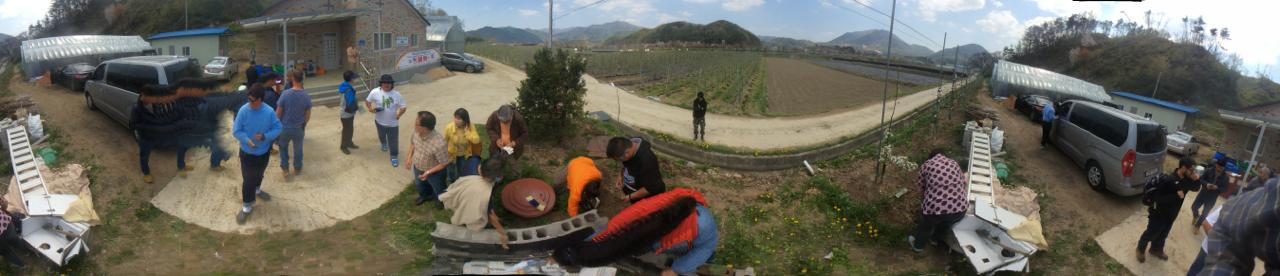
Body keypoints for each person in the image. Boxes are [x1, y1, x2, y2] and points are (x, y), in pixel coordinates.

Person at [552, 188, 717, 276]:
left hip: (689, 242)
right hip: (654, 239)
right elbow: (614, 228)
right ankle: (648, 248)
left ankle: (674, 260)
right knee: (641, 247)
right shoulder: (646, 210)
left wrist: (677, 269)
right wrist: (592, 240)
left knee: (690, 259)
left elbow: (705, 248)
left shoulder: (702, 225)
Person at [1199, 170, 1280, 275]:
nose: (1260, 175)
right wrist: (1215, 246)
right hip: (1208, 251)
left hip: (1212, 199)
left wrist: (1217, 189)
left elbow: (1223, 189)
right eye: (1260, 173)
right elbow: (1208, 223)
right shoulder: (1237, 206)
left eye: (1263, 173)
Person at [233, 87, 283, 225]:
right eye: (248, 99)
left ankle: (257, 189)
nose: (249, 102)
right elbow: (236, 130)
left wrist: (265, 137)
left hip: (263, 152)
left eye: (252, 100)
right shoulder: (244, 111)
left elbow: (278, 128)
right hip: (247, 153)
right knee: (248, 180)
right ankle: (246, 207)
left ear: (260, 100)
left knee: (259, 174)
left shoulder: (269, 112)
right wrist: (246, 140)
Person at [1136, 157, 1199, 263]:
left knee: (1163, 234)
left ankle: (1156, 250)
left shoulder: (1186, 180)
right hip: (1158, 213)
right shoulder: (1168, 180)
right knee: (1151, 232)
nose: (1193, 172)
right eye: (1191, 170)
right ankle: (1140, 249)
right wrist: (1176, 196)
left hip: (1171, 215)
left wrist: (1197, 180)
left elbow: (1196, 188)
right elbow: (1157, 199)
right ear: (1183, 168)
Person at [438, 158, 510, 249]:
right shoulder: (482, 191)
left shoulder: (474, 160)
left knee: (464, 204)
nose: (495, 180)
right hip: (470, 194)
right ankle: (465, 221)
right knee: (472, 212)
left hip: (463, 190)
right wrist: (502, 233)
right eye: (494, 178)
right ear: (486, 177)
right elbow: (491, 215)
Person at [908, 149, 969, 253]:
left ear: (931, 157)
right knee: (945, 224)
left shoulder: (926, 165)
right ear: (945, 156)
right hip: (960, 208)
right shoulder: (954, 163)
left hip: (935, 207)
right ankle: (934, 239)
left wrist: (924, 203)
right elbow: (964, 183)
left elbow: (921, 187)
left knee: (926, 227)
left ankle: (918, 246)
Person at [130, 84, 191, 183]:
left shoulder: (157, 104)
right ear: (142, 95)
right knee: (144, 155)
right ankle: (146, 173)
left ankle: (181, 165)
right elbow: (133, 125)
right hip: (147, 137)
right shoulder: (136, 109)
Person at [406, 111, 449, 207]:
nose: (414, 125)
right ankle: (425, 196)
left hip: (435, 173)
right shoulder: (416, 132)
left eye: (416, 123)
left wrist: (428, 172)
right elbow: (413, 144)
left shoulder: (439, 144)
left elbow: (444, 163)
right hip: (418, 167)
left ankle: (440, 201)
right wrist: (409, 157)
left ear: (424, 128)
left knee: (439, 188)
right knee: (420, 185)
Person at [275, 69, 312, 179]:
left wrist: (277, 126)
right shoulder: (306, 95)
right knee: (298, 148)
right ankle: (297, 167)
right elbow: (308, 114)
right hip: (299, 128)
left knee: (283, 148)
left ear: (293, 79)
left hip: (285, 127)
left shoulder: (285, 94)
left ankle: (285, 169)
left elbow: (278, 113)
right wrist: (303, 124)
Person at [606, 137, 666, 203]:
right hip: (634, 192)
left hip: (647, 199)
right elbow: (624, 163)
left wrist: (630, 197)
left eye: (619, 160)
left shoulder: (647, 161)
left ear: (627, 153)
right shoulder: (629, 143)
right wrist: (621, 175)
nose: (619, 162)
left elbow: (651, 188)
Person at [365, 74, 406, 167]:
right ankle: (383, 143)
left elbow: (403, 107)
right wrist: (370, 109)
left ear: (392, 84)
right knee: (381, 136)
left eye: (389, 83)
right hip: (379, 122)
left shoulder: (397, 95)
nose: (387, 85)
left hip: (393, 124)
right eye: (385, 83)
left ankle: (394, 156)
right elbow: (367, 101)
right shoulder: (374, 92)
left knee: (393, 141)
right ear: (381, 84)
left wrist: (399, 115)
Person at [446, 108, 483, 183]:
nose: (456, 120)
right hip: (451, 154)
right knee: (451, 171)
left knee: (461, 170)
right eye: (455, 117)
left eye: (459, 118)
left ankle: (459, 182)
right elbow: (445, 140)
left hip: (464, 154)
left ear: (465, 120)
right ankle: (452, 182)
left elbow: (476, 140)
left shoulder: (470, 126)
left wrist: (467, 133)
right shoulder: (449, 127)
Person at [1192, 158, 1231, 230]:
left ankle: (1197, 226)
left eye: (1221, 167)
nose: (1219, 168)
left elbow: (1225, 189)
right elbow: (1201, 179)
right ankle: (1196, 216)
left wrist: (1217, 188)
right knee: (1194, 207)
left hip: (1212, 197)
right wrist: (1206, 184)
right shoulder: (1209, 170)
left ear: (1224, 167)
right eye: (1218, 166)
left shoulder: (1226, 177)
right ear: (1216, 164)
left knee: (1205, 213)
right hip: (1203, 193)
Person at [1187, 204, 1223, 275]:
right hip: (1209, 251)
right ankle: (1197, 224)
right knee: (1195, 271)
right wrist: (1217, 247)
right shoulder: (1228, 208)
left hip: (1225, 260)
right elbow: (1207, 224)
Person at [337, 71, 361, 154]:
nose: (356, 79)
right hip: (346, 113)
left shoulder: (345, 86)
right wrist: (358, 108)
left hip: (347, 112)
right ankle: (343, 146)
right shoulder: (349, 89)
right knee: (347, 130)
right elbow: (351, 102)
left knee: (350, 129)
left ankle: (349, 143)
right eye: (354, 77)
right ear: (351, 79)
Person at [0, 197, 25, 268]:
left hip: (5, 223)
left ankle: (23, 252)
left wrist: (3, 206)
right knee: (6, 250)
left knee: (14, 240)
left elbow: (2, 204)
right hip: (5, 224)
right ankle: (20, 264)